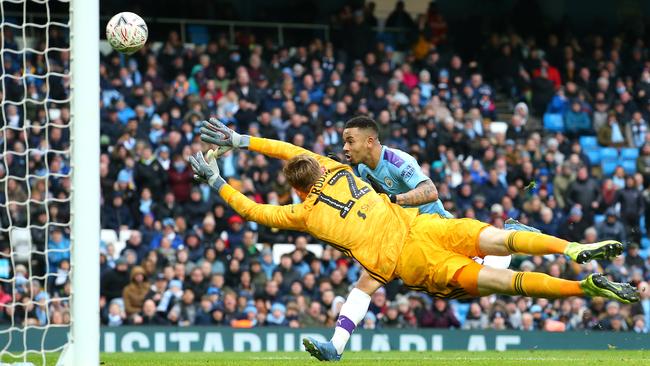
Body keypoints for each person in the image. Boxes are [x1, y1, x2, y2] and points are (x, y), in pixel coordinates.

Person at [195, 118, 638, 361]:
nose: (342, 148)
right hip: (426, 226)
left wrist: (217, 180)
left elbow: (254, 210)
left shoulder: (303, 215)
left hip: (408, 257)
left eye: (348, 142)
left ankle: (583, 286)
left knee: (500, 285)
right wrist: (241, 140)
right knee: (500, 240)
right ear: (319, 165)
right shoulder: (338, 169)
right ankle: (573, 249)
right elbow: (289, 150)